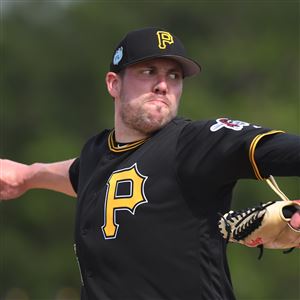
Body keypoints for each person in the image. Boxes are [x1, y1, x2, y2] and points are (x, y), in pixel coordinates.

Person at [1, 27, 299, 300]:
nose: (163, 85)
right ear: (113, 84)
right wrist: (27, 175)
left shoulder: (194, 143)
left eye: (174, 76)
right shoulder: (96, 155)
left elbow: (285, 150)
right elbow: (77, 173)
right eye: (148, 71)